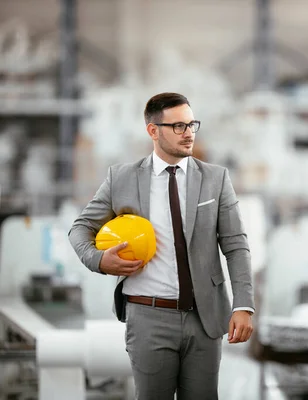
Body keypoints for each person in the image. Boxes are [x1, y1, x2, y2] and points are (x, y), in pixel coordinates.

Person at [68, 92, 254, 400]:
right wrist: (99, 260)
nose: (189, 133)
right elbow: (80, 228)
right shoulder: (122, 178)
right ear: (153, 131)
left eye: (192, 124)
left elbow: (236, 245)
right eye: (178, 126)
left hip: (204, 318)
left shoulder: (215, 179)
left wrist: (243, 304)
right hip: (148, 316)